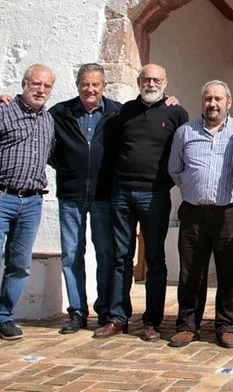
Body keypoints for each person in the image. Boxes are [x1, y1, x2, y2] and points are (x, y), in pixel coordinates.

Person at [0, 64, 56, 355]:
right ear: (24, 84)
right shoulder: (0, 111)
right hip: (0, 198)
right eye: (36, 84)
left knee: (19, 265)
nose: (41, 90)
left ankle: (4, 317)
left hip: (32, 201)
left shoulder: (48, 120)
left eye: (47, 86)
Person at [95, 64, 188, 342]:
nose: (151, 83)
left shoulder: (176, 113)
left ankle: (152, 322)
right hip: (121, 194)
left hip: (155, 195)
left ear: (165, 82)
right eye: (146, 79)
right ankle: (118, 317)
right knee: (120, 257)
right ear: (138, 81)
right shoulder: (123, 112)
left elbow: (183, 150)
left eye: (156, 79)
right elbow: (110, 152)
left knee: (155, 259)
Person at [167, 80, 233, 349]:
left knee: (230, 271)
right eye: (208, 98)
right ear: (202, 102)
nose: (213, 104)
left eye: (218, 99)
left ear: (228, 103)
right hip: (193, 212)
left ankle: (227, 325)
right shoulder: (184, 132)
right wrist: (194, 189)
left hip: (228, 213)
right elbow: (175, 169)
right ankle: (188, 325)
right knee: (191, 271)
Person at [48, 63, 123, 335]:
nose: (90, 89)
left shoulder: (117, 113)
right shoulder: (60, 113)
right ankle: (77, 312)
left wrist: (169, 101)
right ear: (78, 85)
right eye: (85, 84)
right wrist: (68, 169)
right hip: (71, 195)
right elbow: (48, 149)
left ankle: (104, 310)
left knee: (105, 254)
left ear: (104, 86)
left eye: (95, 84)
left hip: (104, 195)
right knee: (71, 255)